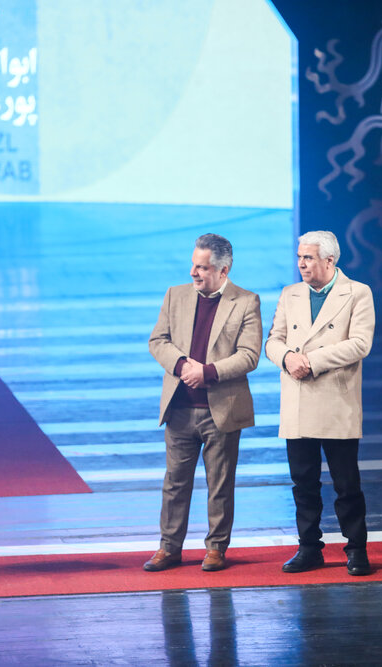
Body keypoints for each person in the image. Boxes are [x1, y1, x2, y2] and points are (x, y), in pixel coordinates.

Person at [145, 233, 262, 572]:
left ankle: (215, 549)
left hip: (221, 410)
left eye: (202, 267)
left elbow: (250, 355)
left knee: (220, 485)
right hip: (180, 408)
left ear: (223, 270)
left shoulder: (246, 301)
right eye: (193, 265)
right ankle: (169, 547)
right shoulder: (175, 295)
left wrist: (208, 372)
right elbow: (158, 340)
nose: (194, 273)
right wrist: (183, 366)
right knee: (174, 483)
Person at [265, 230, 375, 575]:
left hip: (336, 399)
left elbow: (360, 344)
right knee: (303, 482)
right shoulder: (290, 293)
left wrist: (311, 360)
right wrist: (286, 358)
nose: (301, 263)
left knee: (346, 484)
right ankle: (309, 548)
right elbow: (273, 340)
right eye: (299, 257)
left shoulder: (357, 293)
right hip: (298, 398)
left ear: (329, 260)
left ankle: (356, 549)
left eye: (308, 257)